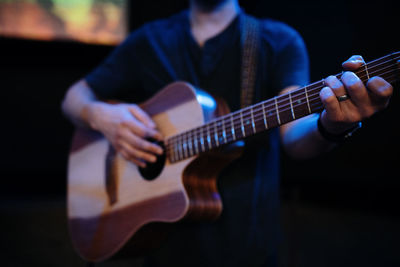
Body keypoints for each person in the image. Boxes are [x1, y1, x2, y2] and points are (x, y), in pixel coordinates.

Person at [61, 0, 393, 266]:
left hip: (248, 245)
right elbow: (74, 97)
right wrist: (102, 115)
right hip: (164, 249)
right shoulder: (148, 40)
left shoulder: (277, 41)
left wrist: (331, 125)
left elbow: (293, 138)